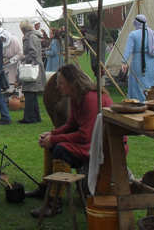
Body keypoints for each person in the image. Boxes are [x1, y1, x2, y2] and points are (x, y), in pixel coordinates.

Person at [26, 64, 113, 217]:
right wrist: (51, 134)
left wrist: (54, 139)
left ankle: (54, 203)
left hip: (104, 147)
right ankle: (46, 188)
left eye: (61, 83)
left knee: (59, 148)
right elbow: (71, 125)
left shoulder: (90, 99)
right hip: (92, 142)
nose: (58, 87)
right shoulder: (76, 97)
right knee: (53, 143)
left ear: (73, 83)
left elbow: (85, 135)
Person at [121, 14, 154, 102]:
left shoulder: (133, 35)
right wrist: (150, 49)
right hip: (152, 62)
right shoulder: (152, 33)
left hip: (138, 63)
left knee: (138, 84)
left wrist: (124, 62)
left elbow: (129, 50)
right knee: (153, 83)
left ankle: (139, 102)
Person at [19, 19, 47, 124]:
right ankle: (35, 117)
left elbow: (33, 53)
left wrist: (24, 57)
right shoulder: (33, 36)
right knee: (32, 94)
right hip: (35, 67)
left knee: (29, 92)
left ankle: (30, 117)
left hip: (33, 68)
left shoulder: (31, 37)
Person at [84, 13, 106, 78]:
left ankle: (101, 83)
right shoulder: (92, 26)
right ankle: (97, 82)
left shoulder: (100, 26)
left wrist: (86, 35)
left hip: (99, 47)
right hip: (93, 47)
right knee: (94, 66)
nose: (89, 20)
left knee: (100, 66)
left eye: (90, 19)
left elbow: (96, 37)